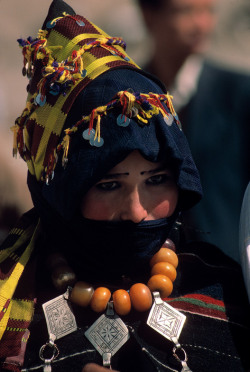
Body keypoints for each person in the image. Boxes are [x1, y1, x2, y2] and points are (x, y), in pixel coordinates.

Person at [0, 1, 249, 371]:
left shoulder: (224, 290)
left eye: (157, 180)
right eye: (108, 185)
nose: (136, 211)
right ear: (61, 192)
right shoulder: (14, 297)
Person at [136, 0, 250, 263]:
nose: (201, 24)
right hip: (147, 272)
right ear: (148, 15)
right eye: (185, 11)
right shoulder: (125, 98)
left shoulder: (239, 94)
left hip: (228, 271)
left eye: (207, 11)